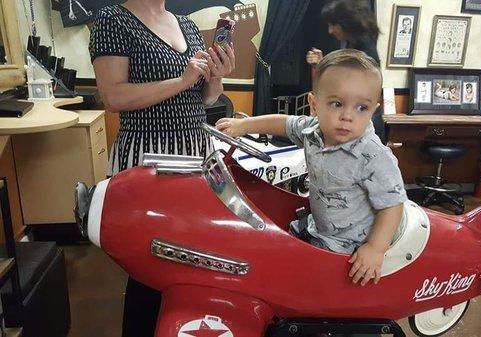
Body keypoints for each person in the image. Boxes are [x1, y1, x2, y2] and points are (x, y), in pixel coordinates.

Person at [88, 0, 235, 335]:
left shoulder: (186, 24)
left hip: (194, 152)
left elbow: (208, 97)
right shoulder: (113, 20)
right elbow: (113, 97)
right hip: (147, 158)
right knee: (150, 264)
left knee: (190, 259)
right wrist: (182, 80)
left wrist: (217, 76)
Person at [217, 49, 407, 286]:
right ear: (314, 104)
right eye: (337, 104)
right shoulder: (314, 130)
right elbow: (284, 124)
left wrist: (375, 249)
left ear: (373, 110)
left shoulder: (373, 155)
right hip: (319, 227)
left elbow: (393, 205)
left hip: (350, 247)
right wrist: (243, 125)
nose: (347, 116)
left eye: (361, 108)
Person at [305, 0, 385, 142]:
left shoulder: (364, 53)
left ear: (345, 24)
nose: (330, 31)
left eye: (332, 25)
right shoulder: (356, 45)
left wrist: (322, 64)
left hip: (359, 129)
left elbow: (343, 87)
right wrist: (322, 63)